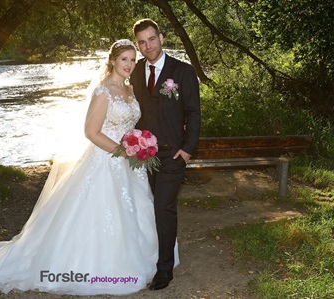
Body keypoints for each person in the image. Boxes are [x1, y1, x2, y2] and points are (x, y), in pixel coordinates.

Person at [0, 39, 159, 296]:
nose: (129, 64)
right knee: (101, 212)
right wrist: (121, 150)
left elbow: (129, 125)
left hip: (130, 165)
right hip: (106, 162)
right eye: (124, 59)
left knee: (134, 210)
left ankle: (139, 259)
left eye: (132, 60)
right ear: (113, 61)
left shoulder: (130, 91)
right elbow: (91, 132)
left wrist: (137, 144)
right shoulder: (103, 91)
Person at [130, 18, 201, 290]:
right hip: (142, 157)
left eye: (151, 39)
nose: (148, 46)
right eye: (142, 42)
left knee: (163, 208)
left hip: (173, 155)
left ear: (161, 37)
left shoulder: (182, 71)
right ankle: (149, 257)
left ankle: (164, 269)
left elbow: (194, 112)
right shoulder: (135, 70)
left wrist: (187, 150)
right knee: (148, 208)